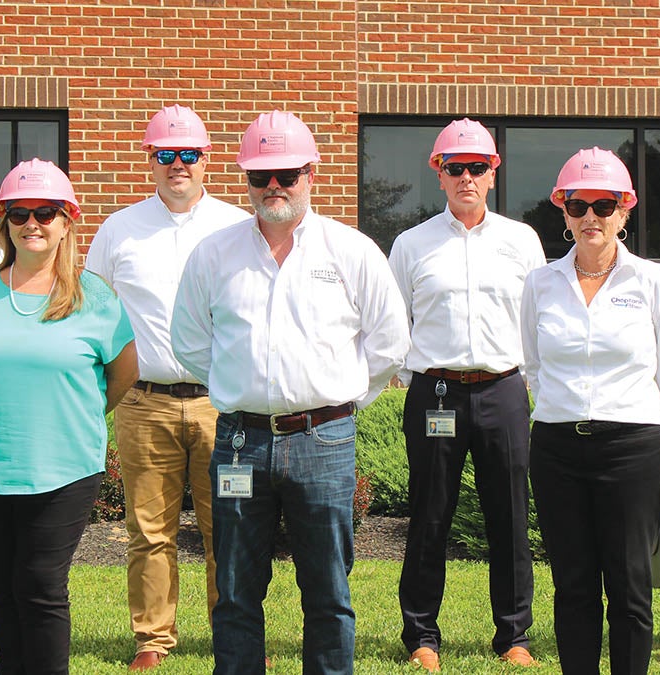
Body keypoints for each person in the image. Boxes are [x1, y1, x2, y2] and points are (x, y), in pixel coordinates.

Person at [171, 110, 409, 675]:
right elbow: (188, 340)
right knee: (233, 589)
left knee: (328, 591)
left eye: (287, 173)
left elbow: (390, 343)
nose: (274, 185)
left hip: (324, 439)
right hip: (238, 440)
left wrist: (342, 400)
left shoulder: (350, 251)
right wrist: (240, 384)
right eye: (260, 175)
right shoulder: (214, 253)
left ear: (311, 173)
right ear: (244, 179)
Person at [0, 158, 138, 675]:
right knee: (3, 591)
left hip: (64, 468)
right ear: (4, 220)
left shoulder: (93, 296)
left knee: (40, 585)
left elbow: (122, 374)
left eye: (46, 212)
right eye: (20, 212)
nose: (33, 223)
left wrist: (68, 414)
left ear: (67, 220)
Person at [86, 104, 249, 671]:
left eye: (188, 154)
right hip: (143, 402)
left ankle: (233, 636)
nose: (176, 164)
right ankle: (152, 640)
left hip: (221, 405)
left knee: (228, 528)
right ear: (149, 161)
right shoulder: (118, 230)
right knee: (148, 530)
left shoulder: (237, 228)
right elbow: (96, 314)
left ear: (207, 160)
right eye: (165, 155)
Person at [521, 147, 660, 675]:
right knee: (572, 582)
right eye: (579, 205)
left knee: (629, 582)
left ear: (625, 210)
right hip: (557, 447)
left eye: (604, 205)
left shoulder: (655, 282)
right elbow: (532, 363)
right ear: (564, 211)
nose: (591, 217)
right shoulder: (539, 283)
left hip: (633, 446)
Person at [388, 118, 544, 671]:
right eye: (455, 168)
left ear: (493, 173)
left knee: (508, 514)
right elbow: (392, 322)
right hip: (436, 393)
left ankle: (514, 635)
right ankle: (421, 636)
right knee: (431, 515)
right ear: (439, 174)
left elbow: (538, 319)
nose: (466, 177)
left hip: (503, 389)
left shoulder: (522, 241)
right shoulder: (412, 244)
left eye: (477, 167)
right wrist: (410, 377)